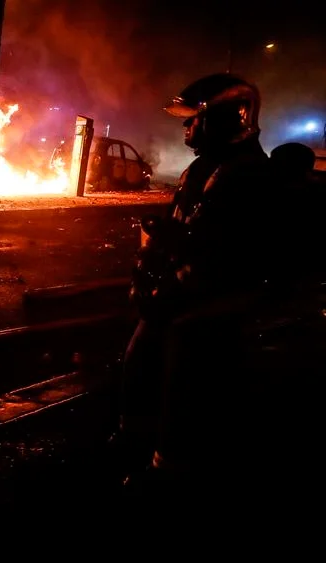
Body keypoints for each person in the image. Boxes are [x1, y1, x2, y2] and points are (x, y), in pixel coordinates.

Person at [115, 73, 279, 511]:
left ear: (228, 119)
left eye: (195, 120)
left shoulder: (245, 174)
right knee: (140, 361)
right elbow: (184, 222)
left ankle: (171, 470)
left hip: (214, 299)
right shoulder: (206, 165)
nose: (186, 129)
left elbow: (220, 246)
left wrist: (163, 242)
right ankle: (135, 438)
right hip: (183, 290)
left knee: (184, 383)